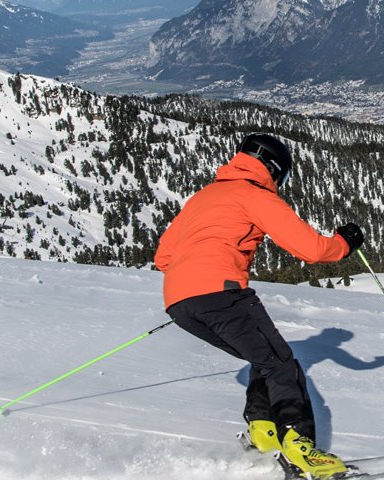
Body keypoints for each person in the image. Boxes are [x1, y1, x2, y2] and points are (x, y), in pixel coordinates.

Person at [155, 133, 365, 479]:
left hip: (179, 303)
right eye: (281, 176)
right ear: (272, 168)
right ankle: (301, 448)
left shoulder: (203, 197)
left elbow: (163, 258)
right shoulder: (254, 195)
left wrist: (195, 280)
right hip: (222, 294)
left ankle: (264, 433)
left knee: (264, 358)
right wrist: (344, 243)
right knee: (282, 364)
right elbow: (311, 249)